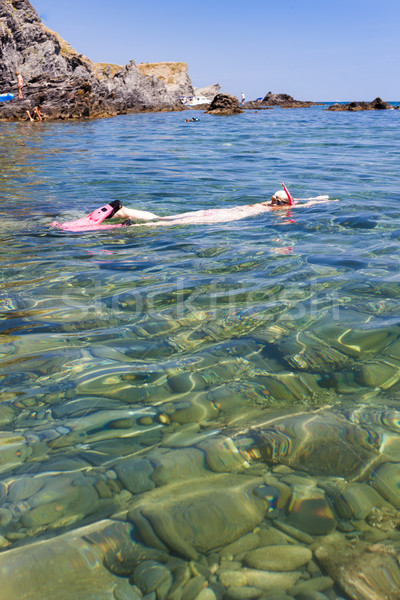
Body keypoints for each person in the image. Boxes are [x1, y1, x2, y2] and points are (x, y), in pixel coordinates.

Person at [110, 189, 333, 228]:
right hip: (222, 219)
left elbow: (293, 201)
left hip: (213, 211)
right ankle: (125, 225)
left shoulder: (265, 203)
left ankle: (124, 210)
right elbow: (297, 205)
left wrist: (319, 199)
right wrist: (320, 202)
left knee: (164, 218)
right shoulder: (273, 210)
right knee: (167, 224)